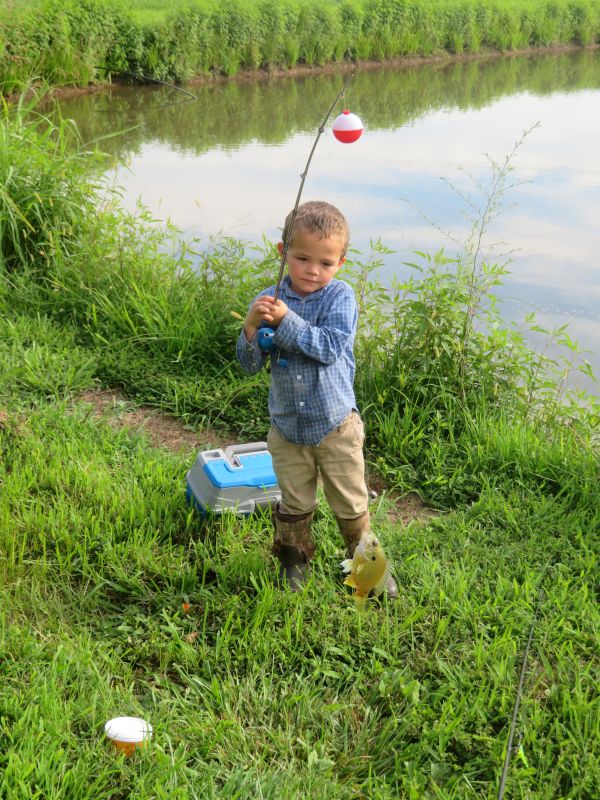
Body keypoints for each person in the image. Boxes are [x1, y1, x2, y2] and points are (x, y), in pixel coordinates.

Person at [236, 200, 397, 597]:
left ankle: (369, 572)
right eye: (302, 257)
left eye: (325, 263)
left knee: (350, 504)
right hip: (287, 427)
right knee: (293, 503)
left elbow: (328, 347)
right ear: (283, 252)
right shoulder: (269, 299)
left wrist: (286, 320)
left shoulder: (340, 297)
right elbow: (249, 365)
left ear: (341, 262)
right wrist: (251, 328)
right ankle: (295, 562)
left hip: (336, 426)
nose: (313, 270)